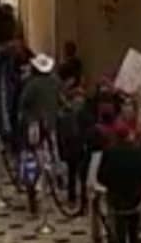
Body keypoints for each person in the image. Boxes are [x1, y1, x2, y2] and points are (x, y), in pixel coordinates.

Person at [98, 123, 141, 243]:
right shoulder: (137, 152)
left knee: (120, 234)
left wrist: (111, 185)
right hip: (135, 197)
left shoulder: (109, 153)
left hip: (116, 197)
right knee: (134, 231)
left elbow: (101, 176)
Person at [18, 54, 62, 214]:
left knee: (32, 159)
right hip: (51, 127)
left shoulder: (31, 85)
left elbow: (22, 105)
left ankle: (34, 194)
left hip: (34, 127)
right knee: (49, 158)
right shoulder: (55, 82)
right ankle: (49, 189)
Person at [57, 85, 93, 211]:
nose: (79, 100)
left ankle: (84, 201)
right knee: (72, 175)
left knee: (83, 177)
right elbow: (62, 134)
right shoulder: (65, 116)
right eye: (77, 97)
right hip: (72, 148)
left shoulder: (87, 114)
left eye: (81, 97)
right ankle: (72, 198)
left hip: (83, 148)